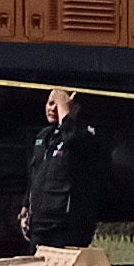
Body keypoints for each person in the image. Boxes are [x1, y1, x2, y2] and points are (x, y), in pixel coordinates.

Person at [23, 87, 106, 251]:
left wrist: (65, 115)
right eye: (50, 103)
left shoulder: (86, 134)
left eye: (58, 105)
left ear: (75, 108)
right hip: (40, 223)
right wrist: (26, 205)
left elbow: (73, 140)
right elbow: (35, 173)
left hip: (67, 225)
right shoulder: (43, 137)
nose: (52, 108)